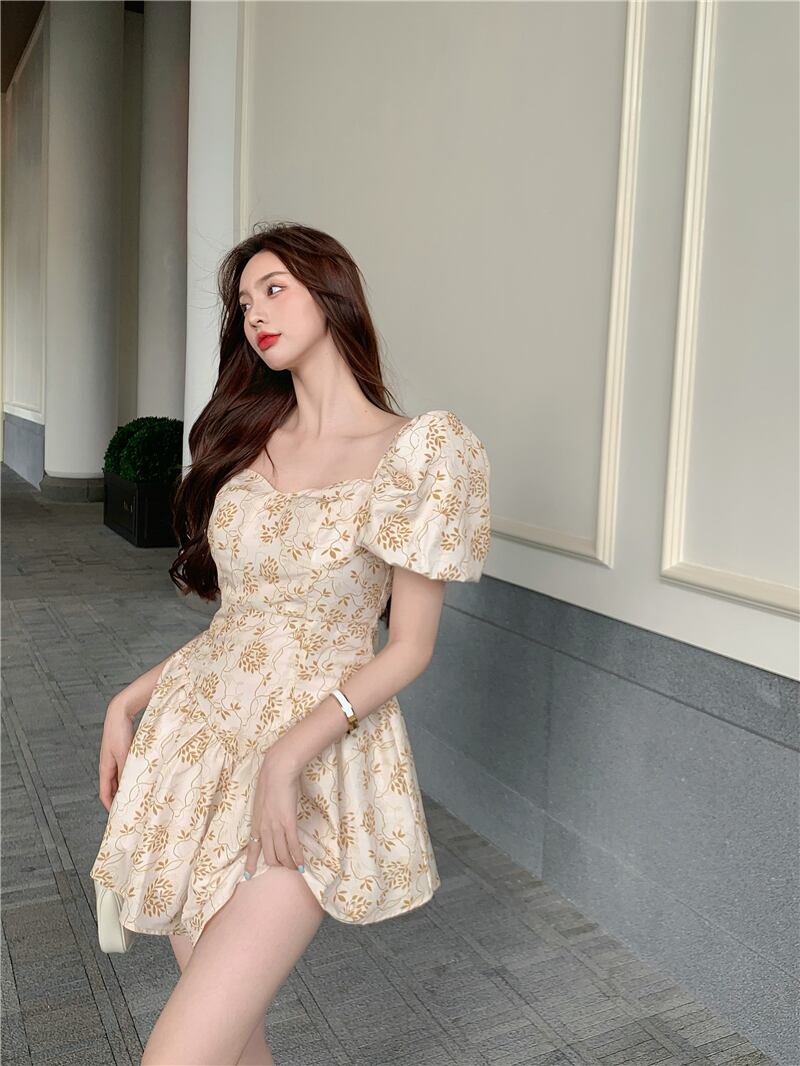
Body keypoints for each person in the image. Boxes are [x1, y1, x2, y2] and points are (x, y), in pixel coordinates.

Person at [90, 221, 492, 1065]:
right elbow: (242, 626)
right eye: (244, 303)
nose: (255, 315)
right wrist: (130, 699)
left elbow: (408, 649)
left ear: (332, 294)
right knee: (234, 1045)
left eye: (274, 289)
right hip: (200, 745)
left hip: (312, 766)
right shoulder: (249, 445)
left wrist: (286, 756)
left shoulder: (417, 451)